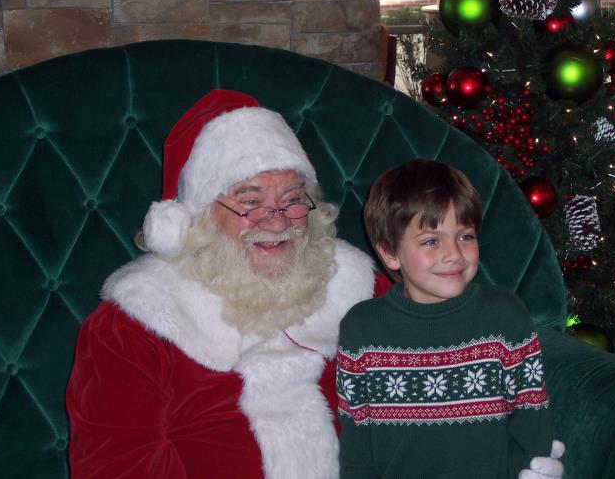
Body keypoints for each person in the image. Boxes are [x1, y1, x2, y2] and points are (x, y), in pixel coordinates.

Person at [65, 89, 390, 478]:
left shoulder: (356, 287)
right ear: (200, 217)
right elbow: (116, 467)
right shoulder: (136, 323)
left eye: (292, 199)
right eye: (249, 201)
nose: (277, 221)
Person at [337, 159, 564, 479]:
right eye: (431, 241)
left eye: (465, 236)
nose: (454, 254)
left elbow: (532, 427)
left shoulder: (505, 316)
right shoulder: (361, 329)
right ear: (389, 252)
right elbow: (357, 449)